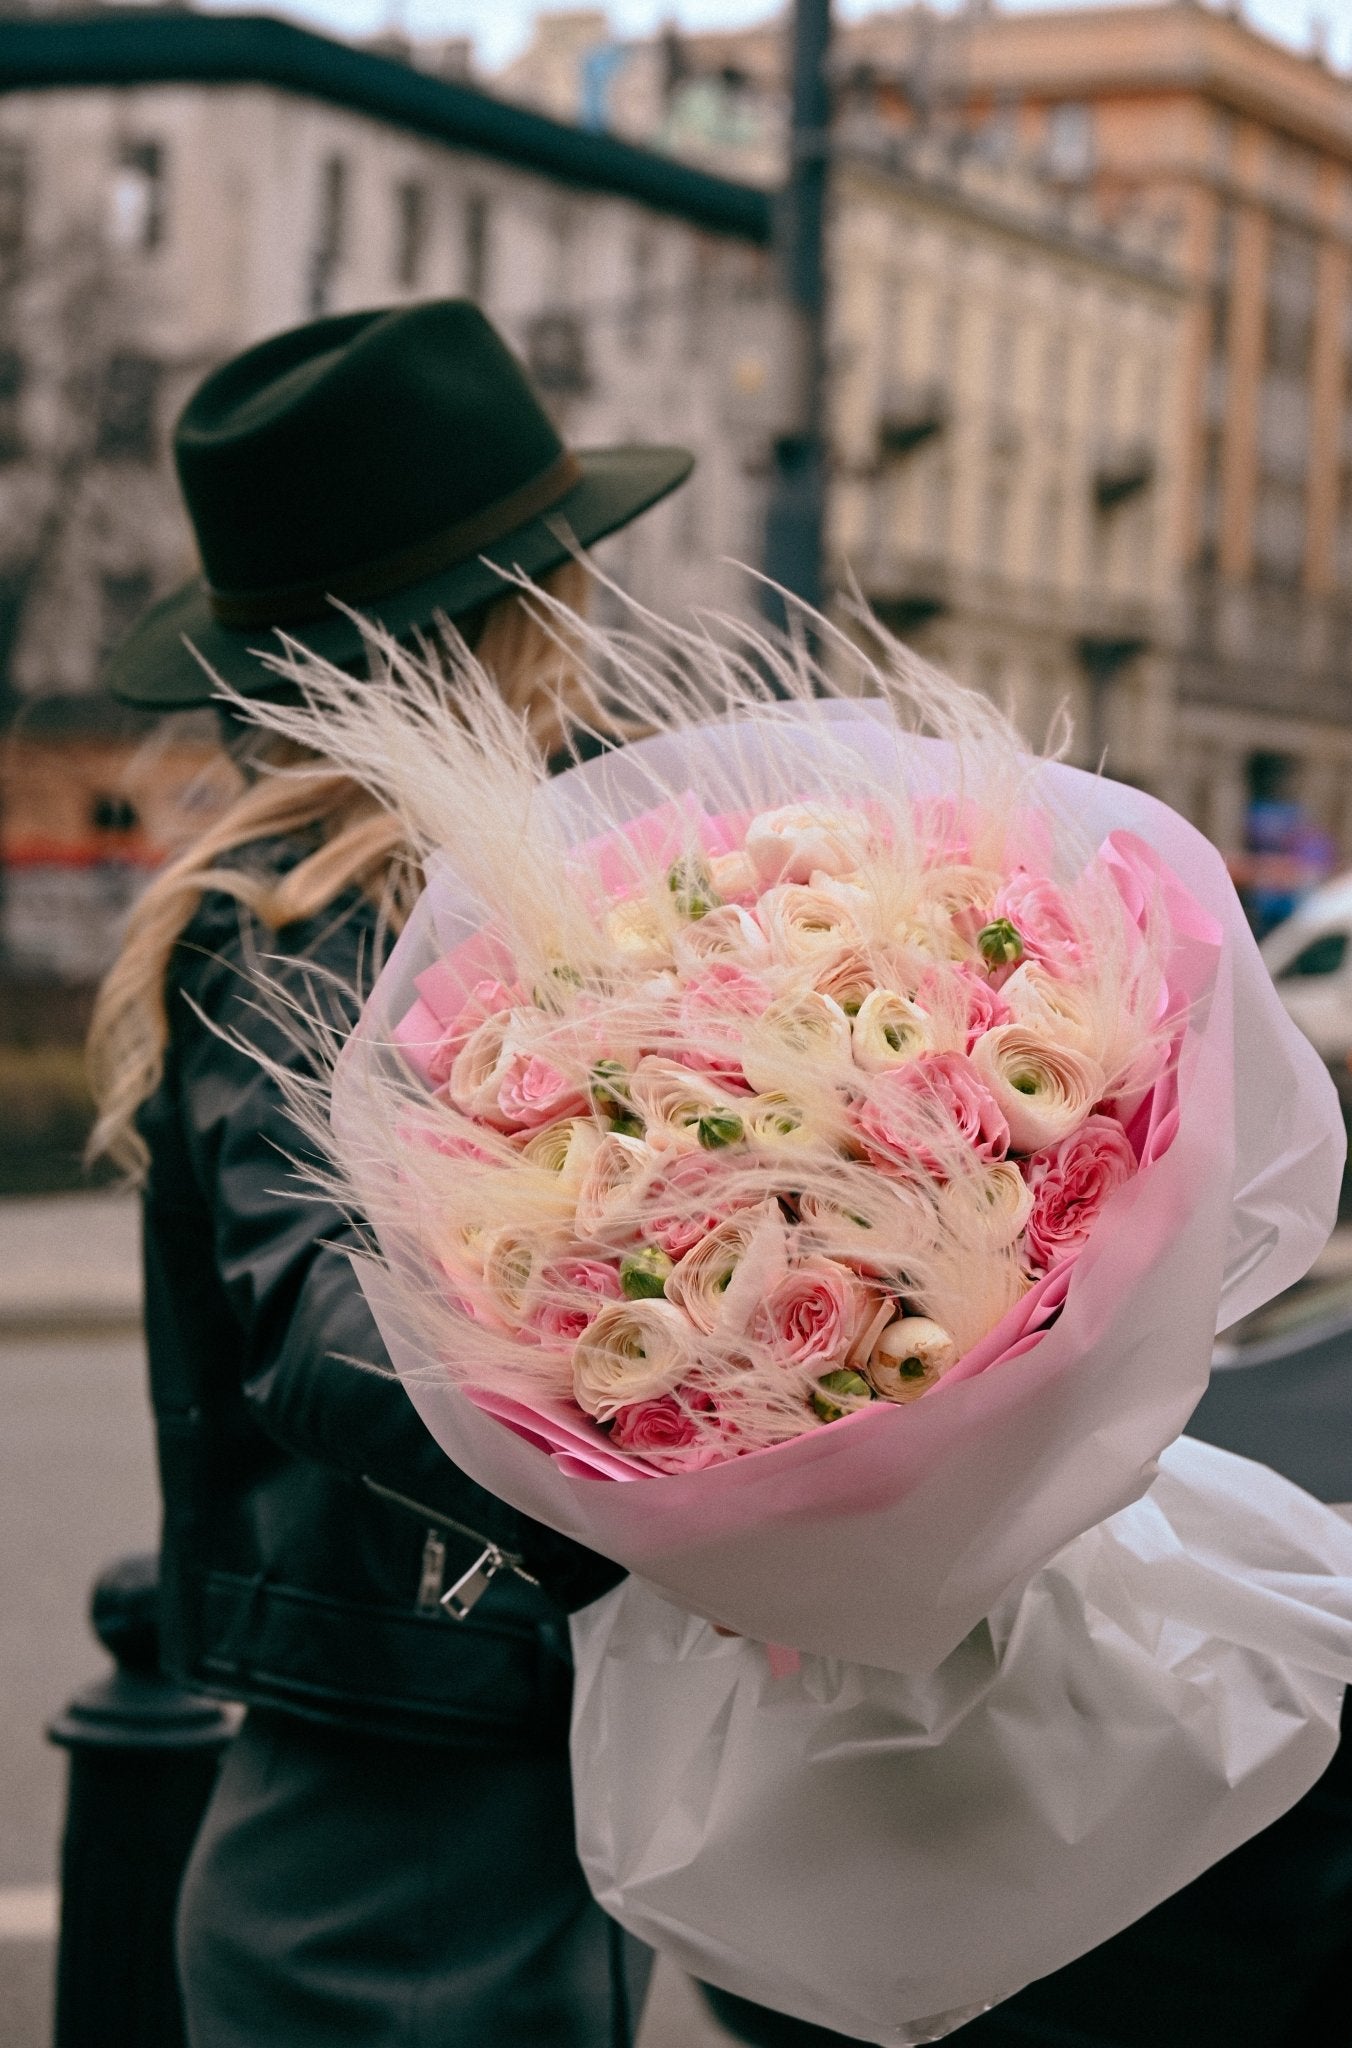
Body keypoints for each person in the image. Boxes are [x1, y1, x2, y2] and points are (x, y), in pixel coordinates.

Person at [86, 298, 695, 2048]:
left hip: (480, 1752)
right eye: (564, 572)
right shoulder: (302, 923)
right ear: (506, 620)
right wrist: (659, 1477)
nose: (590, 609)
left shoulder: (518, 883)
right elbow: (326, 1331)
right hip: (391, 1838)